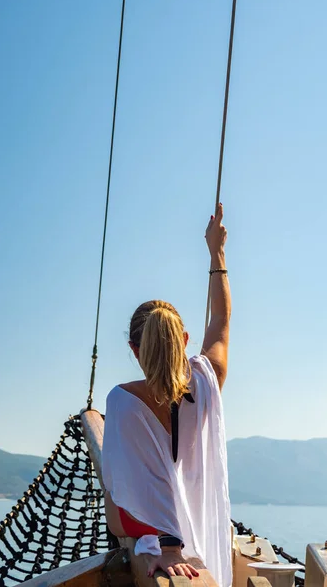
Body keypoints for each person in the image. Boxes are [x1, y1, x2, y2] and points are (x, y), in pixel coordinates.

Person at [102, 203, 232, 587]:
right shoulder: (207, 382)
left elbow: (120, 508)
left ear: (134, 348)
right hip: (201, 531)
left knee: (112, 499)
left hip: (155, 535)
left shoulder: (122, 401)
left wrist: (168, 543)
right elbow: (221, 321)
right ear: (185, 341)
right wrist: (216, 252)